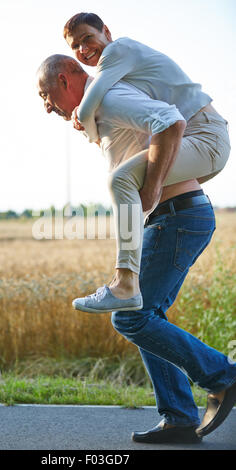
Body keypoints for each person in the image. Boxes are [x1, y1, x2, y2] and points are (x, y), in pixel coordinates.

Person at [36, 54, 236, 443]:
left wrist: (153, 189)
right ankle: (178, 415)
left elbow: (169, 121)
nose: (46, 107)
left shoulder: (111, 97)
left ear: (64, 80)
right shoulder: (101, 106)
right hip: (172, 217)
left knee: (131, 317)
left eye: (45, 95)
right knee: (144, 315)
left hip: (177, 215)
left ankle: (223, 377)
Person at [62, 12, 231, 313]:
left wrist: (82, 122)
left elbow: (90, 101)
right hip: (197, 138)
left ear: (107, 32)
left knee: (121, 179)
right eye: (75, 46)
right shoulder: (115, 71)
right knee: (132, 175)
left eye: (88, 38)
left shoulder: (118, 51)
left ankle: (125, 284)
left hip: (205, 135)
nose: (84, 50)